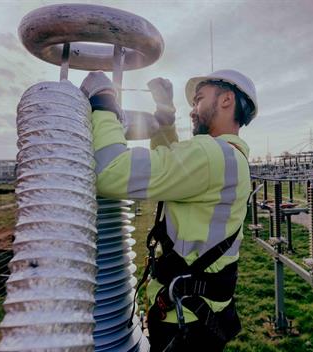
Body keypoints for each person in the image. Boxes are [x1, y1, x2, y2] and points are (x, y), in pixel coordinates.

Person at [80, 69, 257, 351]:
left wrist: (103, 102)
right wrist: (165, 121)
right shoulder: (228, 157)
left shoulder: (211, 155)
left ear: (226, 100)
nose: (193, 109)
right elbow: (173, 166)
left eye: (199, 99)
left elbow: (110, 172)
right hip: (202, 314)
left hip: (185, 323)